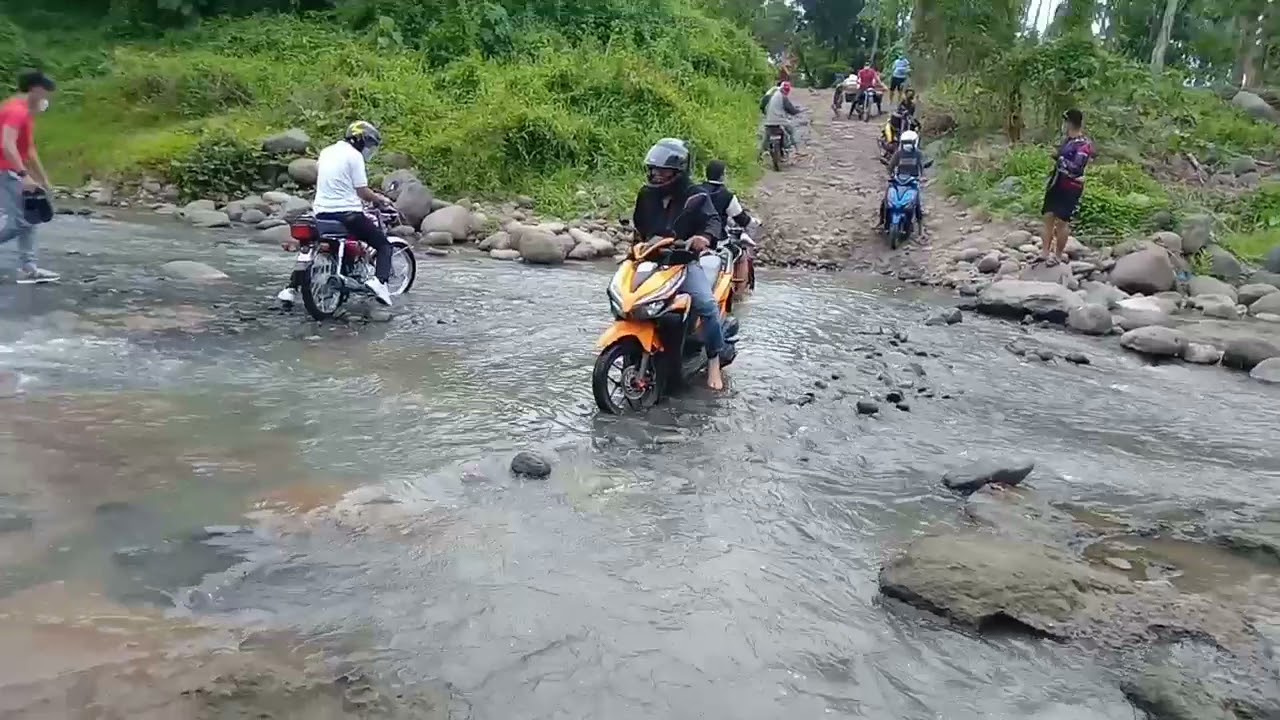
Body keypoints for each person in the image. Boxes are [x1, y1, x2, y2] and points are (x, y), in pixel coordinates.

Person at [631, 138, 727, 391]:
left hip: (682, 263)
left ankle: (714, 360)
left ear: (678, 171)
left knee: (707, 305)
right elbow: (639, 227)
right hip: (650, 262)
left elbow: (712, 222)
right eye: (653, 169)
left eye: (662, 170)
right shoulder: (646, 194)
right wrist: (634, 250)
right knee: (628, 300)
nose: (655, 174)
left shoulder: (696, 196)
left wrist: (703, 238)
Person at [277, 121, 395, 306]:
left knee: (312, 245)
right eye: (369, 144)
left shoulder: (327, 152)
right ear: (360, 140)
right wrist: (380, 199)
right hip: (348, 214)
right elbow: (362, 192)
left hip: (322, 213)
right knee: (384, 246)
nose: (369, 149)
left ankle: (291, 288)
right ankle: (380, 283)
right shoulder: (354, 156)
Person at [0, 69, 59, 284]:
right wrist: (24, 175)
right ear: (35, 90)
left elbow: (29, 150)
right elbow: (6, 144)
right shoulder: (16, 111)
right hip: (6, 171)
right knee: (21, 221)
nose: (47, 99)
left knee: (30, 217)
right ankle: (28, 267)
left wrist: (43, 179)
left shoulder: (25, 112)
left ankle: (29, 267)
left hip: (12, 170)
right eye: (45, 93)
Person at [1041, 109, 1093, 266]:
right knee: (1048, 216)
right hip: (1056, 183)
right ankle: (1044, 253)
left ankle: (1057, 255)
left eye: (1065, 122)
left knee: (1062, 222)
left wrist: (1060, 159)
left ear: (1069, 123)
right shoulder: (1067, 141)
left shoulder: (1084, 144)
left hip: (1071, 187)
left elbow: (1076, 168)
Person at [698, 159, 754, 293]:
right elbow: (742, 219)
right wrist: (754, 222)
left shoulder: (695, 191)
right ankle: (740, 294)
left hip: (695, 238)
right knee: (740, 254)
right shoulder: (727, 196)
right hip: (717, 242)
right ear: (722, 175)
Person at [883, 130, 932, 234]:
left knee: (917, 203)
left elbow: (921, 167)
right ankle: (881, 221)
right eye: (906, 143)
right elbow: (891, 166)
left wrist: (922, 177)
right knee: (886, 201)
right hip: (898, 180)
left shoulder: (918, 154)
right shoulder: (898, 153)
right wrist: (890, 174)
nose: (908, 145)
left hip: (912, 181)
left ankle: (920, 228)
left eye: (909, 143)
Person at [762, 81, 802, 153]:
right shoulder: (782, 96)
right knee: (792, 130)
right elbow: (791, 109)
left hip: (768, 121)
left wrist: (765, 113)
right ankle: (797, 149)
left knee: (766, 136)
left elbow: (763, 104)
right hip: (779, 121)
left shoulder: (772, 94)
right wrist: (797, 111)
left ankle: (760, 154)